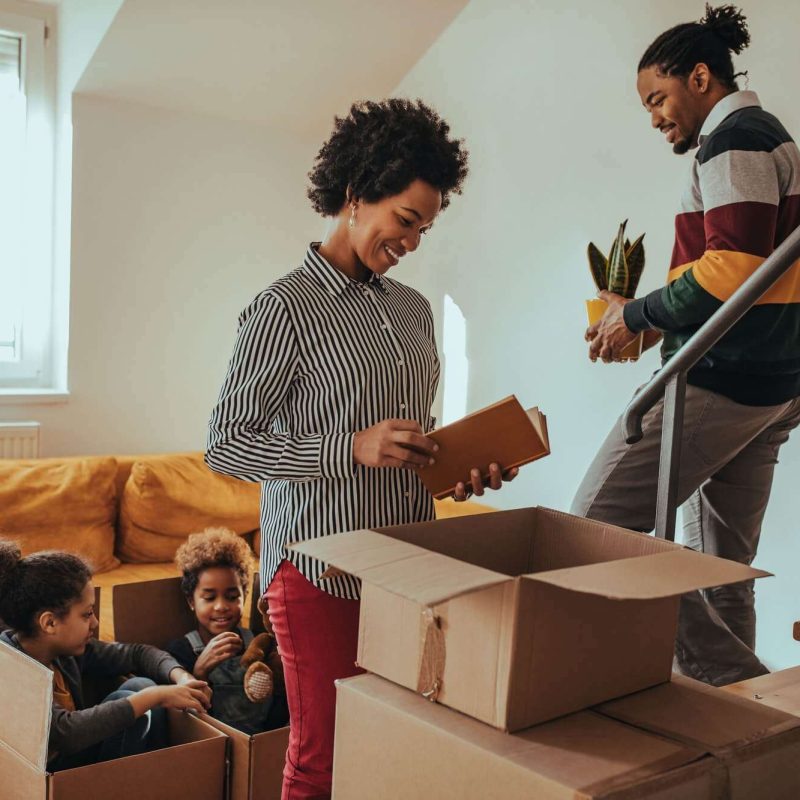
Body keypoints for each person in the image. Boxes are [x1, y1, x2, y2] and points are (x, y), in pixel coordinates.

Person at [205, 98, 516, 799]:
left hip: (407, 563)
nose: (412, 242)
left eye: (425, 228)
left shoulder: (411, 311)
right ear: (354, 193)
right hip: (318, 568)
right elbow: (227, 446)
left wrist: (459, 469)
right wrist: (349, 447)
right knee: (324, 758)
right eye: (405, 220)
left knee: (397, 745)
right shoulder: (281, 308)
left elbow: (406, 446)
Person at [573, 3, 800, 686]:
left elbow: (732, 268)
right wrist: (652, 328)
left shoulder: (734, 140)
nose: (654, 117)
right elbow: (750, 272)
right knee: (723, 573)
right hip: (767, 384)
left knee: (590, 530)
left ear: (701, 77)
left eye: (658, 98)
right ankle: (746, 732)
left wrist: (637, 314)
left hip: (724, 382)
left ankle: (744, 695)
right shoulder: (770, 139)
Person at [0, 539, 211, 770]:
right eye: (87, 614)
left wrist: (181, 676)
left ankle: (157, 774)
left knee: (140, 684)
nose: (95, 622)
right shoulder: (12, 667)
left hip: (77, 759)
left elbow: (137, 654)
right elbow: (67, 733)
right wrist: (156, 696)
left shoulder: (64, 652)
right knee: (138, 700)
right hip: (51, 777)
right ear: (50, 622)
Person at [166, 527, 288, 734]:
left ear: (245, 595)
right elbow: (180, 718)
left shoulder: (258, 644)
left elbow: (278, 702)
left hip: (259, 743)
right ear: (191, 601)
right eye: (209, 597)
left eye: (232, 597)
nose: (221, 606)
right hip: (211, 743)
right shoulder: (181, 650)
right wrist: (199, 671)